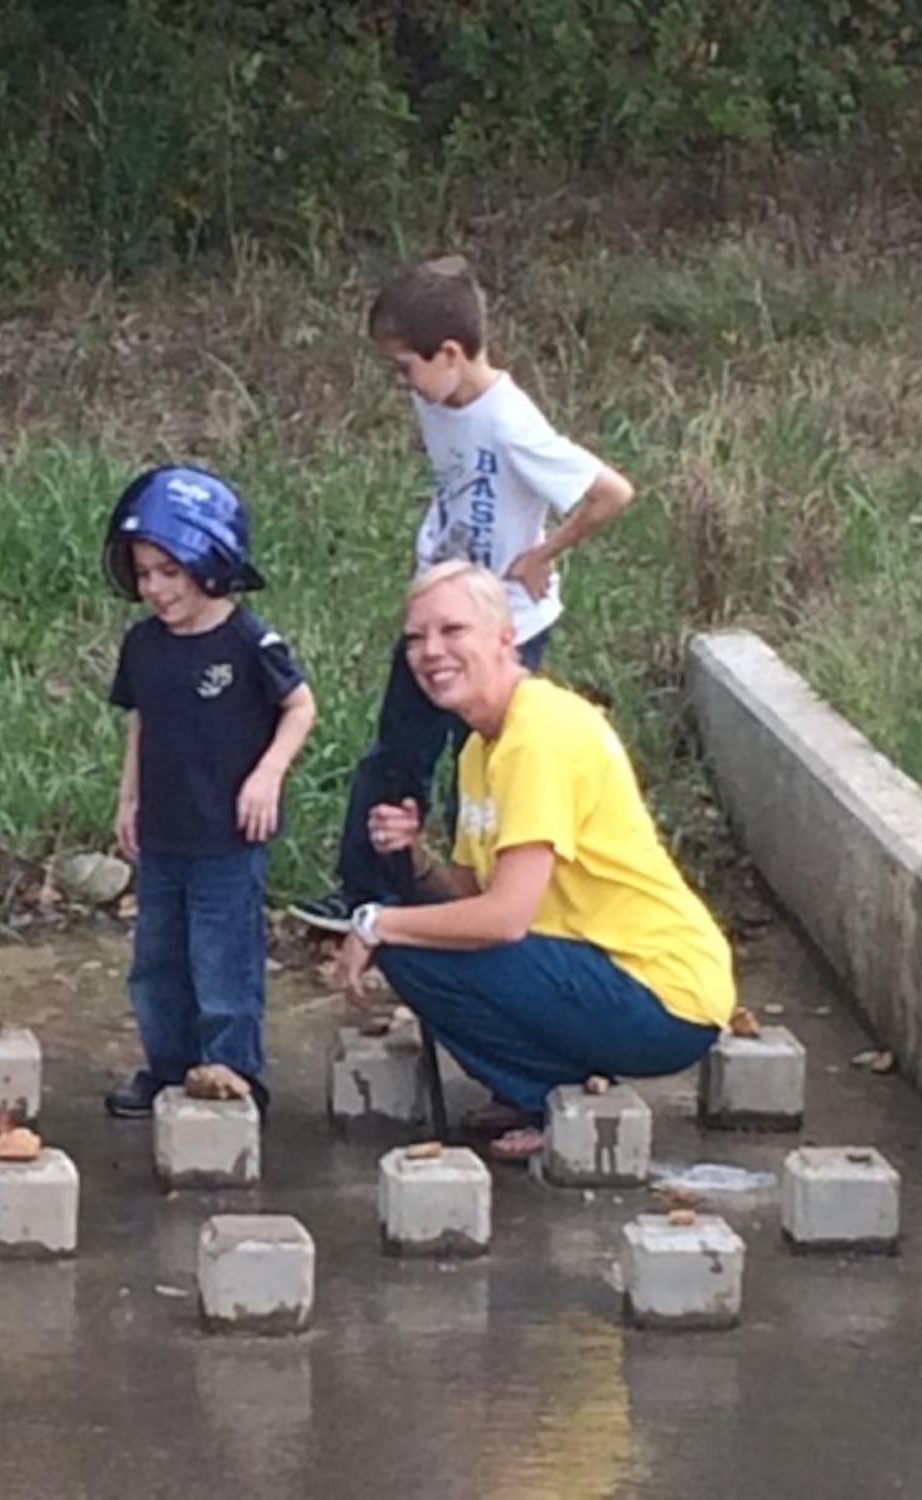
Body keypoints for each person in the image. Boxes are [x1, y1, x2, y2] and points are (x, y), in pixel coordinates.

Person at [332, 561, 735, 1160]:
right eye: (415, 638)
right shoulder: (478, 749)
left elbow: (502, 921)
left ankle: (546, 1094)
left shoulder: (537, 735)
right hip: (595, 969)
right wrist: (414, 857)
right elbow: (465, 906)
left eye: (452, 631)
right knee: (415, 938)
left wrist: (374, 923)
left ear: (504, 638)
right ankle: (547, 1086)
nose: (430, 652)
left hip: (661, 991)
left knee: (402, 941)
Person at [295, 256, 634, 932]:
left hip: (501, 624)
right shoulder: (436, 396)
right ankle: (368, 889)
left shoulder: (512, 424)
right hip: (438, 607)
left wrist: (544, 553)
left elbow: (611, 492)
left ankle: (467, 903)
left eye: (405, 367)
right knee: (396, 752)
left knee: (476, 766)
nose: (402, 384)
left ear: (451, 354)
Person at [100, 466, 318, 1118]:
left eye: (170, 571)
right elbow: (142, 719)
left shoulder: (249, 641)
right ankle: (167, 1066)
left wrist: (269, 772)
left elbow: (300, 706)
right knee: (158, 959)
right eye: (144, 574)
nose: (156, 589)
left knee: (225, 958)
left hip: (228, 836)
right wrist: (128, 798)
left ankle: (231, 1069)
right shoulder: (143, 644)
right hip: (165, 831)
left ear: (212, 562)